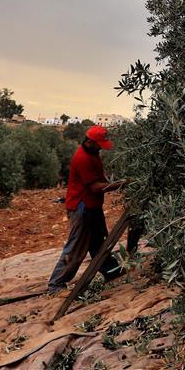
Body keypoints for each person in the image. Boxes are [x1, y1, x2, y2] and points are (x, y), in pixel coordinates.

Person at [47, 125, 125, 293]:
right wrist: (120, 185)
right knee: (76, 247)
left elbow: (101, 178)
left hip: (93, 206)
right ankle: (56, 284)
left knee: (99, 242)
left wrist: (116, 182)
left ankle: (113, 272)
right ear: (89, 142)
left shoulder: (94, 154)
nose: (100, 148)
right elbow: (96, 187)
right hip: (82, 208)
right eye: (98, 144)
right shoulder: (82, 158)